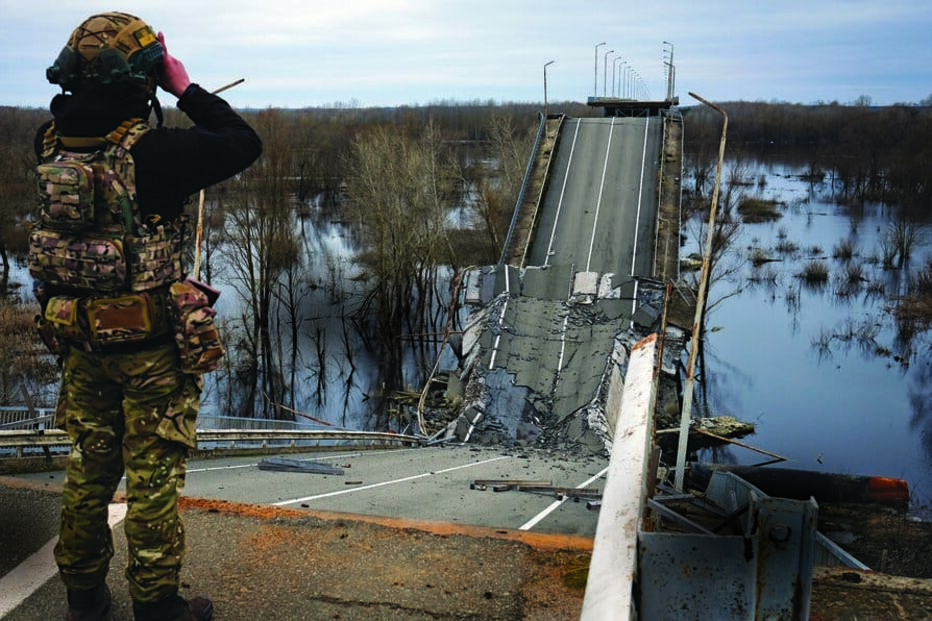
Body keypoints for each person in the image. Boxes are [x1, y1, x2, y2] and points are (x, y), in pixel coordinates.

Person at [32, 12, 262, 621]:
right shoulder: (158, 151)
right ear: (142, 79)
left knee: (88, 470)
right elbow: (244, 142)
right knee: (152, 478)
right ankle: (158, 608)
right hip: (150, 349)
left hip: (80, 342)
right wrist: (182, 85)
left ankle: (85, 598)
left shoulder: (48, 144)